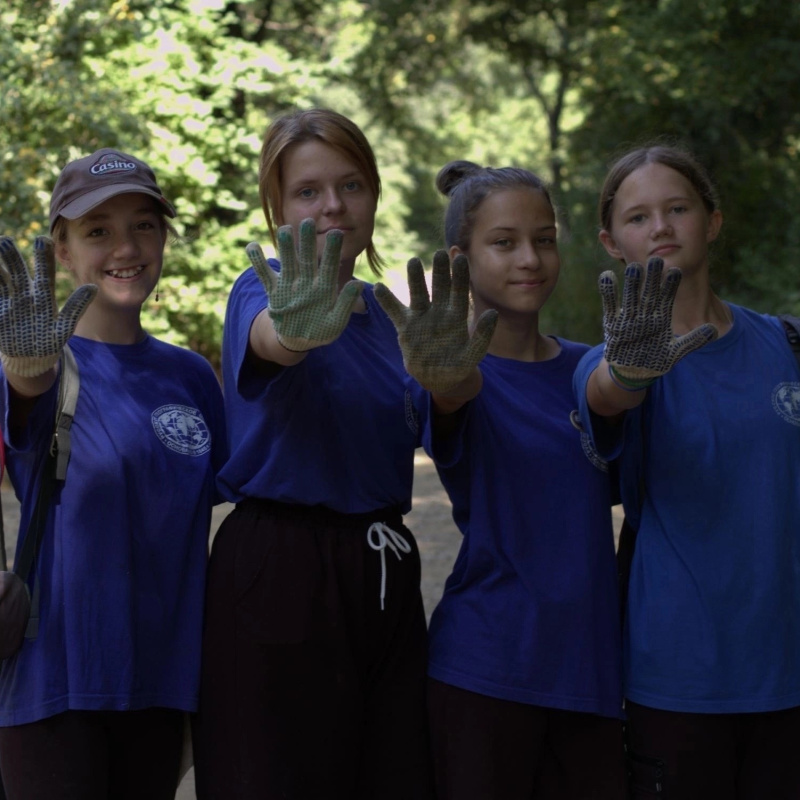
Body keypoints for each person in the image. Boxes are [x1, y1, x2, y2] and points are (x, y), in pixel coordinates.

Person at [192, 108, 434, 800]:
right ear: (278, 209)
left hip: (383, 566)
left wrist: (450, 383)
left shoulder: (391, 319)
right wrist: (294, 334)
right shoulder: (262, 288)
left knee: (391, 774)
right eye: (307, 191)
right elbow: (273, 338)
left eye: (350, 185)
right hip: (279, 568)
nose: (333, 205)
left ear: (374, 194)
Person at [374, 160, 626, 799]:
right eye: (505, 242)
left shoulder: (593, 371)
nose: (530, 259)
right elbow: (453, 393)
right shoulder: (448, 371)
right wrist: (445, 376)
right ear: (461, 261)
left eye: (544, 239)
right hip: (486, 671)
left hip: (593, 672)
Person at [573, 143, 800, 799]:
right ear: (612, 243)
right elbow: (605, 397)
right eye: (638, 217)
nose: (661, 227)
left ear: (713, 220)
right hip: (678, 678)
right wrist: (628, 375)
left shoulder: (786, 344)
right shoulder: (603, 363)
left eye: (678, 208)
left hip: (787, 672)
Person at [0, 148, 227, 800]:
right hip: (58, 687)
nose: (126, 247)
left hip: (162, 686)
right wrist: (26, 374)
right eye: (98, 230)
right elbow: (24, 397)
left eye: (143, 226)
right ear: (63, 251)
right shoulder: (37, 362)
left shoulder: (191, 376)